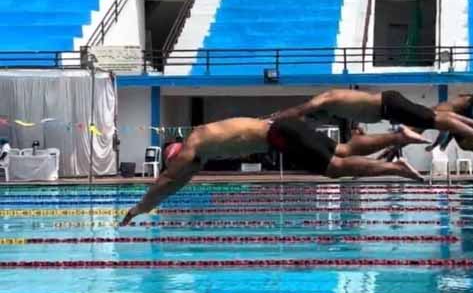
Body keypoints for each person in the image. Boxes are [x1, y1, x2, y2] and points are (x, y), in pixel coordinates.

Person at [119, 117, 427, 225]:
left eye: (175, 162)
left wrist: (138, 207)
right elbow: (174, 184)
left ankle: (396, 166)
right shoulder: (201, 145)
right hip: (282, 131)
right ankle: (398, 136)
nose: (181, 167)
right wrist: (142, 209)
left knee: (335, 168)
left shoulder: (193, 145)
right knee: (343, 151)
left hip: (280, 135)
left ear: (175, 154)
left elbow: (168, 180)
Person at [271, 89, 473, 154]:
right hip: (389, 106)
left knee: (437, 121)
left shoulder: (324, 99)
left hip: (388, 106)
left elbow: (300, 110)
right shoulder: (333, 102)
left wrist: (273, 119)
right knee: (436, 118)